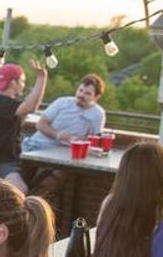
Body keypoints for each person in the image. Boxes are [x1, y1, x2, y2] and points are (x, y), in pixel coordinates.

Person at [21, 73, 106, 213]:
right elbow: (41, 124)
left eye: (87, 93)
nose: (81, 95)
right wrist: (58, 134)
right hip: (38, 146)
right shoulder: (62, 102)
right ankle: (24, 204)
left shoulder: (98, 114)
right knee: (24, 176)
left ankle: (32, 210)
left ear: (96, 97)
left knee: (55, 179)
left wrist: (79, 140)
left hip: (65, 154)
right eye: (80, 91)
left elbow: (95, 140)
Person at [0, 59, 48, 192]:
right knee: (20, 189)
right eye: (22, 81)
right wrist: (41, 78)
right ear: (13, 83)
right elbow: (31, 106)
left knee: (40, 181)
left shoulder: (6, 103)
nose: (24, 84)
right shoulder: (1, 102)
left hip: (9, 161)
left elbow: (27, 109)